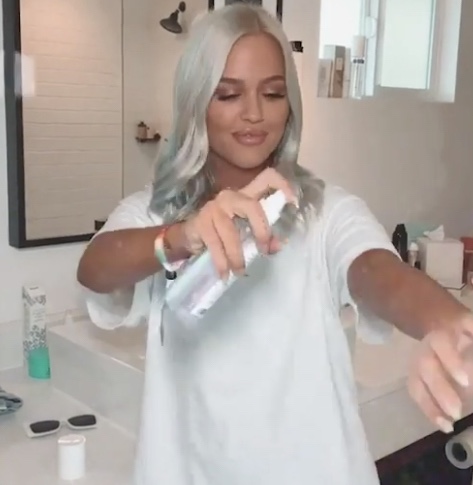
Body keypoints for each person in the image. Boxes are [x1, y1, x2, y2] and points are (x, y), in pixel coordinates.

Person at [77, 5, 473, 485]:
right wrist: (180, 236)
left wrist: (443, 322)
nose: (254, 113)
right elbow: (96, 268)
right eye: (228, 94)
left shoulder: (325, 211)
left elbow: (377, 271)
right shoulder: (156, 212)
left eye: (272, 93)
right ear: (196, 101)